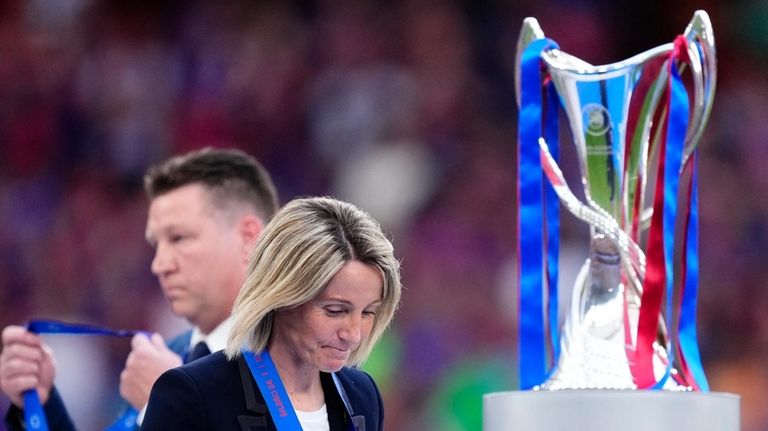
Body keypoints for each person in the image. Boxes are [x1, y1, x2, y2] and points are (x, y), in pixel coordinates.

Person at [0, 147, 279, 430]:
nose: (159, 264)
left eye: (179, 238)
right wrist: (41, 407)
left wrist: (169, 407)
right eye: (157, 244)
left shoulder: (300, 356)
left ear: (248, 237)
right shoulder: (169, 354)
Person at [141, 196, 402, 431]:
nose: (353, 334)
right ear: (283, 296)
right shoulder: (193, 395)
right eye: (335, 311)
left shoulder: (362, 396)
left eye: (368, 312)